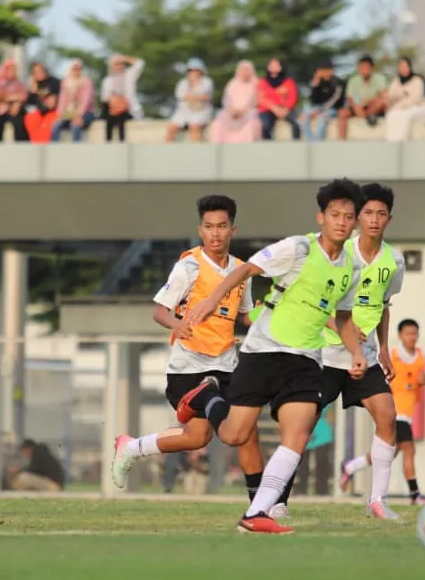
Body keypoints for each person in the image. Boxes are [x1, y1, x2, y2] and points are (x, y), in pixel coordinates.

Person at [111, 179, 368, 534]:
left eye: (347, 216)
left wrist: (356, 351)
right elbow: (161, 310)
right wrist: (194, 313)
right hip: (204, 364)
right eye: (334, 214)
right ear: (320, 217)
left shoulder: (350, 268)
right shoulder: (201, 265)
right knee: (218, 436)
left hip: (276, 360)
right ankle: (147, 439)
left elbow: (334, 314)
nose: (341, 221)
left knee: (288, 432)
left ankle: (262, 509)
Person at [108, 195, 266, 500]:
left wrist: (268, 313)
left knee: (202, 437)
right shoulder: (189, 267)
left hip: (225, 365)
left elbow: (246, 317)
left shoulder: (240, 271)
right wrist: (176, 324)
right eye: (209, 227)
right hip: (189, 367)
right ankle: (263, 504)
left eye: (222, 226)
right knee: (227, 422)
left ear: (233, 230)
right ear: (200, 229)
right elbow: (159, 311)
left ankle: (261, 505)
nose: (215, 233)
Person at [274, 183, 406, 521]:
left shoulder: (395, 260)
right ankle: (277, 500)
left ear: (389, 219)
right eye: (367, 213)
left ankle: (377, 500)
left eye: (380, 214)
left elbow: (384, 305)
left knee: (387, 416)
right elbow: (322, 300)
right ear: (357, 217)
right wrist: (338, 328)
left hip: (367, 356)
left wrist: (384, 349)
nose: (373, 220)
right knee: (302, 426)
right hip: (327, 355)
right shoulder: (339, 252)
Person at [340, 317, 425, 506]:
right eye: (408, 333)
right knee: (408, 449)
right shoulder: (393, 355)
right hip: (396, 411)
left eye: (414, 333)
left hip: (409, 411)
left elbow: (424, 378)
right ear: (400, 335)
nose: (411, 337)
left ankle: (351, 466)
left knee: (391, 452)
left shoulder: (422, 357)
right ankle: (415, 495)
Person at [209, 61, 261, 144]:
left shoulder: (255, 84)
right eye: (242, 70)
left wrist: (242, 111)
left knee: (251, 119)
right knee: (219, 118)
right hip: (231, 111)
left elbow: (254, 100)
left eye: (247, 70)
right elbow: (226, 99)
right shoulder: (232, 84)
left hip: (248, 111)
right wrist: (231, 110)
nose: (244, 73)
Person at [166, 58, 214, 142]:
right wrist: (196, 97)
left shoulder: (207, 82)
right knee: (171, 128)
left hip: (201, 111)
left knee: (194, 127)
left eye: (196, 70)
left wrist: (192, 95)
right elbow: (180, 95)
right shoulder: (183, 83)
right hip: (183, 112)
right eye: (191, 70)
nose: (193, 73)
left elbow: (205, 97)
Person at [384, 57, 425, 142]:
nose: (403, 69)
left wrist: (400, 101)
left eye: (405, 66)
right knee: (391, 115)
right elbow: (391, 96)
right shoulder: (396, 81)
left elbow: (416, 99)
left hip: (419, 107)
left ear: (410, 67)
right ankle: (392, 143)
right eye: (401, 67)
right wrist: (402, 95)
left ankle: (402, 143)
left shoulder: (417, 80)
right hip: (399, 108)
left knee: (405, 116)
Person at [101, 53, 144, 142]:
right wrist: (115, 104)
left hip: (128, 109)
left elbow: (140, 63)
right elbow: (105, 98)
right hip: (113, 109)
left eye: (120, 63)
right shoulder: (107, 80)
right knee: (109, 121)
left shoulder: (129, 74)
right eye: (116, 64)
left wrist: (123, 58)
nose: (119, 66)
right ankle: (108, 144)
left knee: (121, 120)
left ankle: (122, 145)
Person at [52, 59, 97, 142]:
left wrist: (79, 115)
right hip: (70, 111)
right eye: (74, 69)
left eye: (79, 69)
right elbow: (62, 99)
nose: (77, 71)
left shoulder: (86, 81)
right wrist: (60, 114)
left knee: (75, 125)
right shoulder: (66, 82)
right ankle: (53, 151)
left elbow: (86, 100)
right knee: (56, 125)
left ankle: (76, 151)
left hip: (86, 112)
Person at [257, 58, 300, 140]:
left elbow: (293, 98)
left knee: (296, 124)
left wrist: (285, 108)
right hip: (268, 110)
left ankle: (296, 145)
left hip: (285, 109)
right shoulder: (262, 82)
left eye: (276, 65)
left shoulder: (289, 81)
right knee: (265, 126)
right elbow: (261, 99)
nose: (274, 67)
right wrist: (274, 108)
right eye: (272, 65)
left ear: (280, 67)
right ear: (268, 67)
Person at [302, 58, 343, 141]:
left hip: (331, 109)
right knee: (302, 120)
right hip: (317, 108)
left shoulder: (337, 82)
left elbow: (335, 101)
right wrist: (314, 86)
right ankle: (313, 142)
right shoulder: (317, 82)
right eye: (322, 70)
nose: (324, 73)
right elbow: (312, 100)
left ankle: (319, 144)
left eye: (327, 70)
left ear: (331, 71)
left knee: (322, 119)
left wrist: (320, 111)